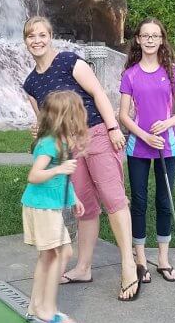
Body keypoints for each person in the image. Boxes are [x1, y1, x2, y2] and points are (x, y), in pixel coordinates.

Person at [22, 16, 141, 302]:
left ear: (50, 36)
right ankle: (84, 267)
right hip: (68, 148)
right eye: (30, 36)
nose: (37, 40)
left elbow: (98, 92)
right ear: (26, 41)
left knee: (114, 200)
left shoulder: (69, 61)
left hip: (97, 133)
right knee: (85, 207)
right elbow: (45, 122)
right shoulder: (30, 84)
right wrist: (39, 132)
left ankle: (128, 266)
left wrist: (113, 128)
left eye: (42, 34)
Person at [118, 18, 175, 284]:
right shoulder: (130, 75)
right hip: (138, 147)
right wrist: (145, 134)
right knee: (138, 201)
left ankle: (162, 259)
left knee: (164, 201)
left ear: (161, 40)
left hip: (166, 147)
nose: (149, 40)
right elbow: (124, 116)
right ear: (137, 39)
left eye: (155, 36)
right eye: (145, 35)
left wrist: (167, 123)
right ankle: (139, 260)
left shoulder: (171, 72)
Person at [22, 90, 86, 323]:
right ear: (64, 117)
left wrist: (74, 198)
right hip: (41, 207)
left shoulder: (63, 141)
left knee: (49, 256)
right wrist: (58, 170)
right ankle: (47, 310)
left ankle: (34, 306)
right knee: (63, 253)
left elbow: (64, 182)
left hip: (50, 206)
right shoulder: (49, 143)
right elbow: (34, 175)